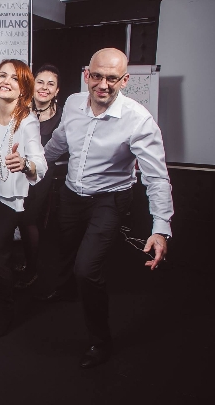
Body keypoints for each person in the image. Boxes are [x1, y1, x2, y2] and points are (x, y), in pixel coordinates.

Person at [40, 48, 173, 368]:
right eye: (97, 76)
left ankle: (100, 341)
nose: (103, 84)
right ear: (86, 75)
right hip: (71, 194)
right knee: (65, 246)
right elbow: (59, 142)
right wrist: (34, 163)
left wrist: (160, 227)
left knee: (87, 269)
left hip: (109, 200)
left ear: (124, 81)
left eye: (112, 78)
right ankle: (65, 289)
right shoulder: (73, 103)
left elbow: (156, 177)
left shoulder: (138, 120)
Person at [0, 59, 47, 338]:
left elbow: (40, 163)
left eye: (14, 78)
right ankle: (0, 294)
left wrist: (25, 164)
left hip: (12, 196)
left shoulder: (28, 121)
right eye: (2, 75)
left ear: (24, 88)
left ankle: (6, 309)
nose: (6, 81)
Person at [15, 64, 64, 288]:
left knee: (29, 220)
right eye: (40, 82)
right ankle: (24, 262)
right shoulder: (20, 108)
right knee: (16, 220)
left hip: (42, 177)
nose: (44, 87)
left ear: (57, 90)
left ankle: (33, 268)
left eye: (50, 84)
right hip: (16, 172)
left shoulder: (62, 117)